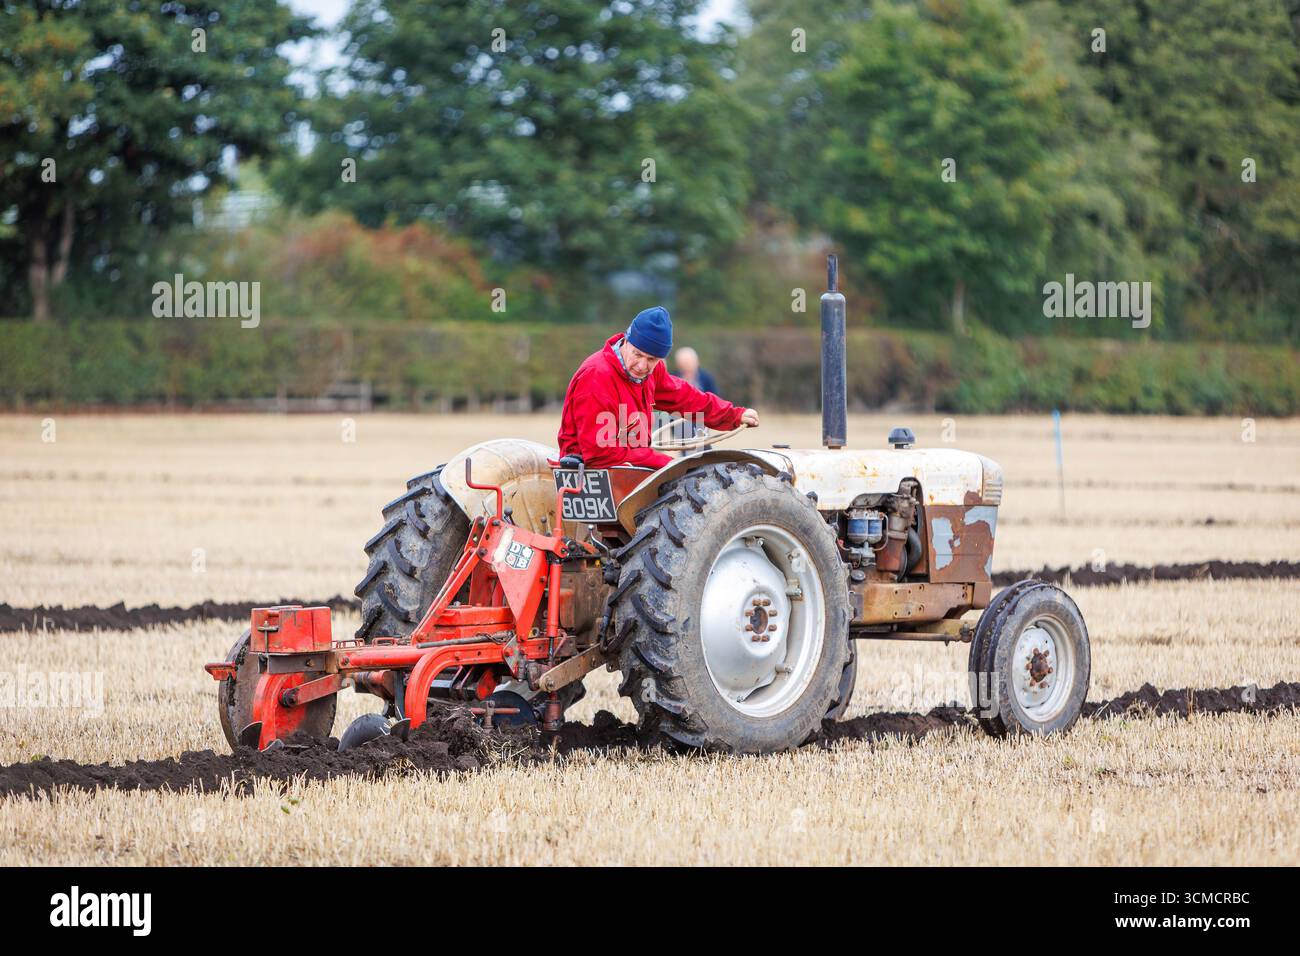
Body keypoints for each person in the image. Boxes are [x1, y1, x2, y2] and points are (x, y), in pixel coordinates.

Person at [557, 306, 759, 469]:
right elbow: (601, 453)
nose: (643, 366)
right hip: (589, 472)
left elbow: (685, 397)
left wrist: (733, 415)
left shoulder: (652, 372)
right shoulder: (597, 375)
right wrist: (668, 466)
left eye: (652, 359)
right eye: (637, 354)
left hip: (628, 465)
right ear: (626, 341)